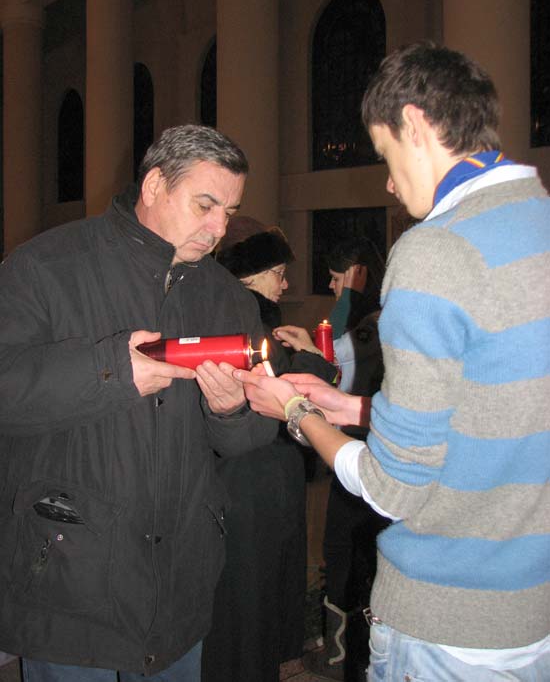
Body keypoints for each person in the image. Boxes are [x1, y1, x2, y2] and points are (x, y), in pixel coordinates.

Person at [234, 41, 550, 681]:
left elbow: (391, 487)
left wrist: (295, 410)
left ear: (414, 124)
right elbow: (491, 407)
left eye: (385, 154)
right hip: (530, 607)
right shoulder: (537, 221)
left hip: (448, 623)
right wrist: (355, 407)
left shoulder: (435, 251)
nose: (387, 181)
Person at [0, 124, 278, 682]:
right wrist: (110, 372)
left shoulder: (227, 297)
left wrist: (231, 412)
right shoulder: (45, 267)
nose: (219, 229)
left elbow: (254, 434)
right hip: (68, 578)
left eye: (229, 212)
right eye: (205, 205)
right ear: (154, 185)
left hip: (178, 583)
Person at [201, 219, 338, 682]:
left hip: (267, 478)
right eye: (277, 273)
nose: (285, 284)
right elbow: (278, 392)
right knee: (250, 592)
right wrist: (311, 359)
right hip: (247, 482)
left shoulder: (262, 321)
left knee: (267, 584)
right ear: (247, 275)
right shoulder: (242, 321)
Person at [277, 237, 389, 681]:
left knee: (346, 551)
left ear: (359, 275)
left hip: (364, 452)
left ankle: (342, 655)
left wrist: (347, 300)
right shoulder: (369, 318)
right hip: (355, 442)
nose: (330, 285)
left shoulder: (376, 320)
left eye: (337, 276)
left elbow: (338, 356)